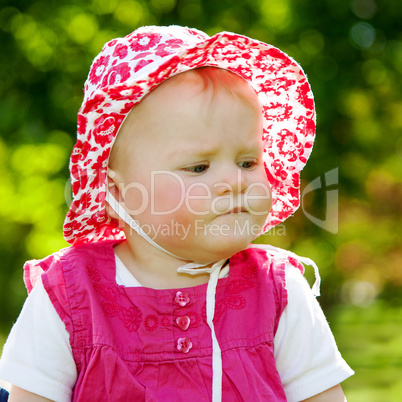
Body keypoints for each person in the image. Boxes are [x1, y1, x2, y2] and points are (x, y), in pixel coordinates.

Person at [0, 25, 353, 401]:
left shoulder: (279, 293)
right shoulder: (71, 296)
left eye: (248, 162)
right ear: (119, 192)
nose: (234, 182)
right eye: (198, 168)